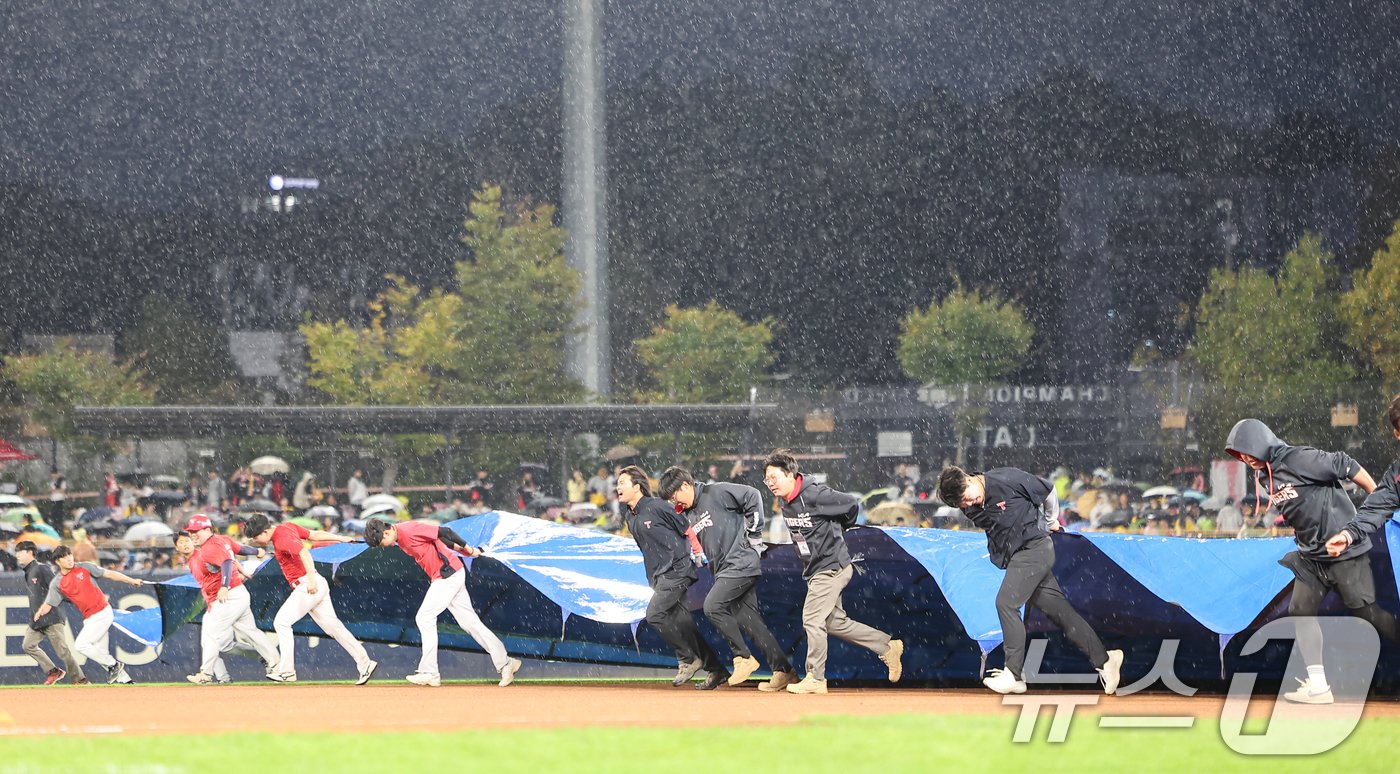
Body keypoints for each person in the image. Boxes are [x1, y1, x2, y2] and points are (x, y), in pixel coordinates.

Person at [1225, 416, 1398, 705]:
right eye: (1239, 454)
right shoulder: (1265, 476)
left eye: (1246, 450)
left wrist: (1378, 500)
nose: (1244, 457)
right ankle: (1318, 686)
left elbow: (1347, 464)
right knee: (1300, 608)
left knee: (1369, 617)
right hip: (1311, 556)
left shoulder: (1298, 458)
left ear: (1261, 442)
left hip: (1344, 549)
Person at [937, 465, 1122, 696]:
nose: (969, 504)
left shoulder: (1007, 478)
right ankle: (1106, 660)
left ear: (969, 479)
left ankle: (1013, 674)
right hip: (1018, 557)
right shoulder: (971, 508)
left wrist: (1050, 520)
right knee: (1062, 614)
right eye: (962, 505)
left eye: (966, 498)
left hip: (1034, 550)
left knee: (1006, 603)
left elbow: (1048, 490)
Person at [763, 450, 903, 695]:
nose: (770, 483)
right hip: (815, 569)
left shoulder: (815, 494)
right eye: (767, 479)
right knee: (834, 623)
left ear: (790, 474)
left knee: (812, 619)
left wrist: (841, 527)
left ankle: (816, 678)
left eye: (774, 477)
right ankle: (887, 646)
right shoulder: (785, 502)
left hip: (831, 567)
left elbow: (851, 504)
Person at [657, 465, 795, 688]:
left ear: (685, 485)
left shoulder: (717, 492)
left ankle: (742, 658)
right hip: (724, 570)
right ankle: (784, 670)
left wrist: (754, 532)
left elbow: (753, 495)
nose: (675, 503)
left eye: (675, 497)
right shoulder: (689, 513)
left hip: (740, 563)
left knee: (712, 606)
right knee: (751, 623)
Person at [363, 518, 521, 687]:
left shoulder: (409, 529)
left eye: (381, 543)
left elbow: (445, 532)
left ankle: (430, 672)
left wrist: (468, 549)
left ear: (386, 532)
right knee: (470, 623)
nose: (383, 546)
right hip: (449, 575)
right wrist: (465, 551)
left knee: (424, 618)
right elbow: (439, 540)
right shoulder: (399, 537)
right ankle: (506, 663)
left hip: (447, 576)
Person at [615, 465, 726, 689]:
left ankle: (687, 659)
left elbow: (687, 529)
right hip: (658, 576)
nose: (617, 487)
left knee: (654, 614)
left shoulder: (658, 506)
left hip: (677, 570)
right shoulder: (630, 516)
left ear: (637, 487)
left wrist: (697, 552)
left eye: (622, 483)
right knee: (684, 624)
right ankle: (717, 669)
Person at [241, 514, 377, 684]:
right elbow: (314, 535)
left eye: (256, 537)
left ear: (266, 531)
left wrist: (311, 581)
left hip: (308, 584)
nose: (255, 540)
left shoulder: (282, 538)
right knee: (334, 627)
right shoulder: (287, 526)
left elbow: (305, 553)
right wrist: (339, 538)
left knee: (281, 622)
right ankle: (365, 663)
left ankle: (287, 671)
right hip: (313, 583)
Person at [183, 514, 281, 685]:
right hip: (239, 593)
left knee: (211, 633)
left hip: (229, 596)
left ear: (207, 529)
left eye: (195, 531)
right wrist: (257, 551)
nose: (192, 535)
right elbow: (240, 549)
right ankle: (276, 663)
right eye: (190, 531)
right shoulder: (222, 539)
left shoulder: (208, 548)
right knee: (251, 632)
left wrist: (224, 586)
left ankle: (206, 674)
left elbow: (228, 562)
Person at [33, 545, 146, 684]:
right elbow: (48, 604)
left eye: (70, 555)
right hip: (90, 618)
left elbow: (110, 574)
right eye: (64, 557)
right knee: (101, 653)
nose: (69, 558)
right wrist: (39, 613)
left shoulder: (85, 567)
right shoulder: (57, 583)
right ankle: (126, 681)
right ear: (58, 562)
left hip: (103, 612)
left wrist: (132, 580)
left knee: (81, 645)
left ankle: (115, 665)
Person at [16, 541, 87, 685]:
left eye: (20, 552)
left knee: (62, 651)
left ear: (30, 553)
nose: (17, 555)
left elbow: (59, 588)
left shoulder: (41, 568)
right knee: (27, 645)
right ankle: (53, 671)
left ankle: (80, 679)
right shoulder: (29, 571)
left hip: (52, 617)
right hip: (37, 619)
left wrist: (77, 600)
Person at [47, 468, 67, 533]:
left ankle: (59, 530)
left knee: (59, 516)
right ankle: (55, 530)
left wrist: (54, 490)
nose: (53, 476)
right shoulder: (52, 481)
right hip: (53, 500)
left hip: (59, 500)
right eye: (52, 474)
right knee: (53, 516)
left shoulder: (62, 481)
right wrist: (56, 490)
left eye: (54, 474)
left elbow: (63, 490)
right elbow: (49, 490)